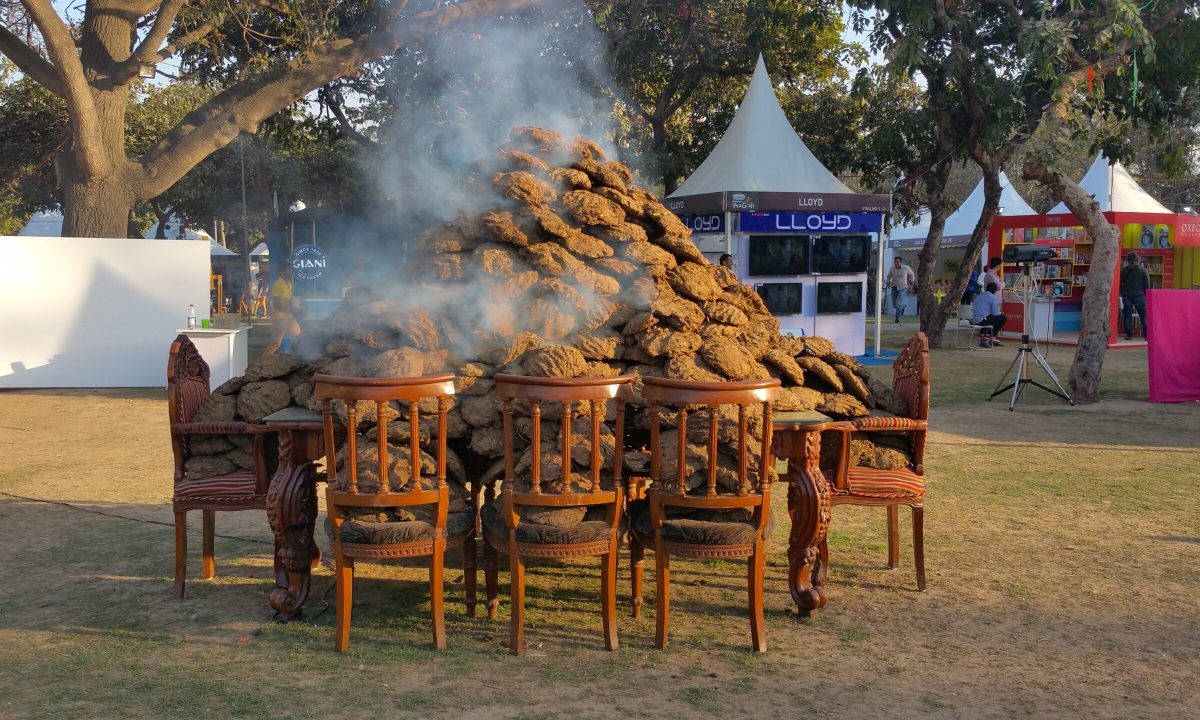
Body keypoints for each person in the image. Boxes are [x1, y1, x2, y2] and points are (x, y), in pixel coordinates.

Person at [265, 263, 302, 354]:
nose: (291, 272)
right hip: (280, 318)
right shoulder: (277, 284)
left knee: (299, 337)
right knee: (275, 343)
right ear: (282, 272)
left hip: (289, 317)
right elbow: (276, 303)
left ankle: (298, 356)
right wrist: (289, 309)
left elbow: (287, 299)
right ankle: (264, 361)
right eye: (288, 270)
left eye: (291, 270)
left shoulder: (288, 284)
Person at [1119, 251, 1151, 340]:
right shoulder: (1143, 270)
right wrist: (1144, 293)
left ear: (1127, 260)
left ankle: (1129, 335)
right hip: (1139, 295)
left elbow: (1120, 283)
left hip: (1127, 295)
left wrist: (1123, 292)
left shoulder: (1124, 271)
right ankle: (1147, 336)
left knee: (1127, 316)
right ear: (1137, 260)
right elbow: (1147, 284)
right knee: (1144, 316)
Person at [971, 282, 1006, 346]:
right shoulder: (992, 297)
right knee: (1003, 317)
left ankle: (983, 334)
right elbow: (995, 313)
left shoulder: (978, 296)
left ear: (986, 288)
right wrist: (1001, 313)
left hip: (974, 320)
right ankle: (992, 336)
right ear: (995, 291)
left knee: (989, 316)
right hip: (982, 321)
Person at [886, 256, 916, 323]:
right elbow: (888, 277)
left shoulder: (906, 268)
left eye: (897, 262)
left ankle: (897, 319)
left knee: (898, 304)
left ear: (901, 262)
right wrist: (888, 281)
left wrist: (911, 282)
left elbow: (912, 274)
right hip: (894, 287)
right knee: (894, 305)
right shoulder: (892, 269)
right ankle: (903, 306)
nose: (896, 263)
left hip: (903, 288)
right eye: (895, 262)